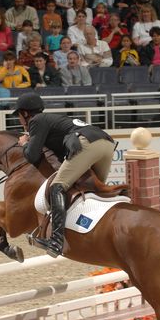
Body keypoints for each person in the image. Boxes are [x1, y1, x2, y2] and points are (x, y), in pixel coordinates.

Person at [15, 91, 115, 257]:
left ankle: (55, 242)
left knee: (57, 186)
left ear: (25, 113)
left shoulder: (36, 121)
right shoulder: (52, 121)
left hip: (86, 142)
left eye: (18, 115)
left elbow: (32, 155)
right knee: (95, 190)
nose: (19, 120)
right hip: (106, 143)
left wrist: (25, 144)